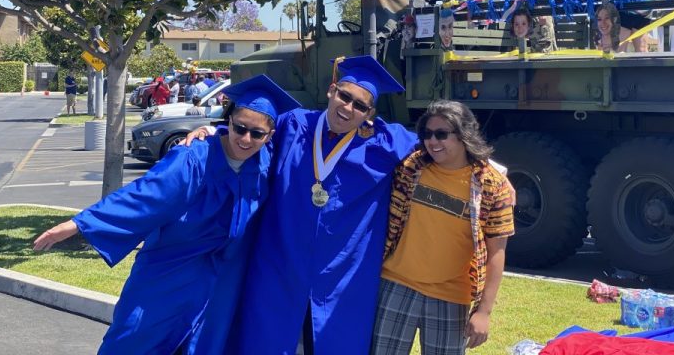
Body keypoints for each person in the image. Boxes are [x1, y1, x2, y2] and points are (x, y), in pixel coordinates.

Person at [184, 56, 515, 354]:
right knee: (269, 340)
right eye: (344, 96)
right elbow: (255, 131)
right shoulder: (296, 125)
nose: (348, 108)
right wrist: (215, 130)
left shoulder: (384, 142)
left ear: (370, 114)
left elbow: (444, 144)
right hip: (280, 267)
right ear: (332, 90)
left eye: (360, 105)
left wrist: (498, 171)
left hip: (341, 278)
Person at [33, 75, 301, 355]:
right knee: (135, 339)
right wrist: (79, 224)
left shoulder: (264, 162)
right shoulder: (193, 158)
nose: (246, 139)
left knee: (206, 346)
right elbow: (146, 194)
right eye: (240, 128)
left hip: (222, 280)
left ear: (269, 136)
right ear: (228, 121)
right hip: (171, 270)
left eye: (257, 133)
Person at [371, 100, 514, 355]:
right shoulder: (410, 167)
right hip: (396, 284)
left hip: (451, 296)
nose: (432, 142)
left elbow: (497, 253)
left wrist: (484, 311)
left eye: (441, 134)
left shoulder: (492, 186)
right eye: (427, 134)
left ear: (464, 134)